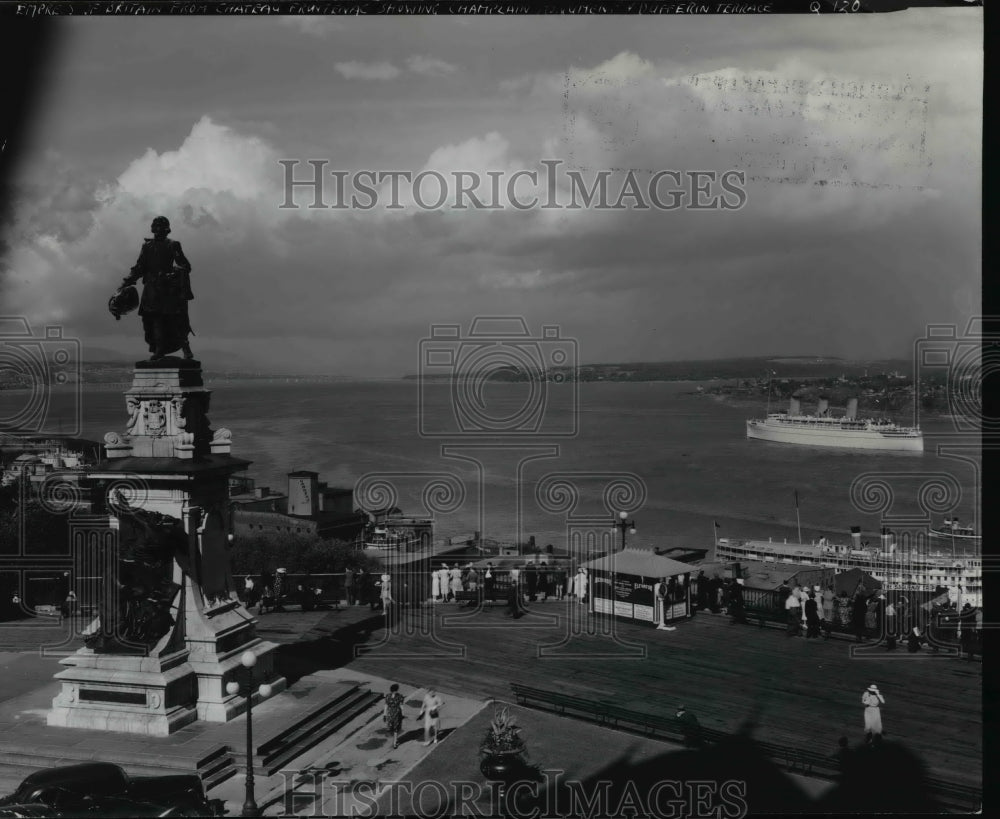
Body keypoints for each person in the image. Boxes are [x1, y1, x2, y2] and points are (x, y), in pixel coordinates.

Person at [119, 216, 195, 360]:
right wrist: (126, 282)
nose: (158, 229)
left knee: (176, 320)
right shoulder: (147, 247)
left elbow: (185, 265)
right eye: (156, 226)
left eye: (161, 226)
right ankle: (159, 349)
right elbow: (139, 267)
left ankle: (186, 349)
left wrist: (172, 273)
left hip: (168, 290)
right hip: (152, 290)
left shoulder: (173, 245)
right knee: (154, 320)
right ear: (153, 228)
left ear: (167, 229)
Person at [383, 683, 405, 749]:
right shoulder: (400, 696)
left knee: (391, 728)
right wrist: (403, 714)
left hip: (390, 713)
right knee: (396, 729)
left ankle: (395, 741)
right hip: (397, 713)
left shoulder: (387, 696)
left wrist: (384, 714)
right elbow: (401, 706)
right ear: (396, 690)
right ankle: (395, 743)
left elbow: (386, 705)